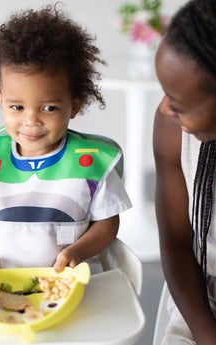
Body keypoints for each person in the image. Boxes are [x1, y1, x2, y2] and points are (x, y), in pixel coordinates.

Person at [0, 4, 131, 275]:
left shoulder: (91, 162)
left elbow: (107, 224)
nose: (31, 121)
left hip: (70, 286)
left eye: (49, 108)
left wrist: (77, 251)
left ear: (74, 106)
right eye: (17, 107)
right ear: (1, 101)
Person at [153, 0, 216, 344]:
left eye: (179, 101)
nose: (165, 107)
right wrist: (207, 334)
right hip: (201, 304)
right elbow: (176, 243)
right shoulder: (171, 128)